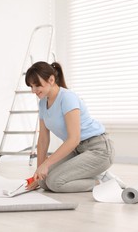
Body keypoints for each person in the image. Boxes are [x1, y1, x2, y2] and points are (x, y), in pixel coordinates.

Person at [25, 61, 125, 193]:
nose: (33, 91)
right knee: (44, 181)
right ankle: (93, 175)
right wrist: (38, 174)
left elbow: (74, 139)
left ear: (51, 79)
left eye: (37, 85)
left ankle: (104, 181)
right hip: (78, 150)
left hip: (99, 150)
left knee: (55, 183)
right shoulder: (43, 103)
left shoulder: (67, 98)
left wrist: (46, 164)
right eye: (31, 86)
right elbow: (43, 139)